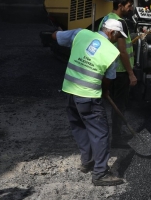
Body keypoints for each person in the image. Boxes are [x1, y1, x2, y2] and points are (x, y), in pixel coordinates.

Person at [52, 19, 128, 186]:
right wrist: (105, 90)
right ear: (111, 32)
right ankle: (100, 173)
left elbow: (55, 36)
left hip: (70, 93)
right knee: (100, 133)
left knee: (79, 127)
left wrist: (60, 33)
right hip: (88, 97)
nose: (117, 39)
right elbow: (108, 79)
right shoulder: (111, 52)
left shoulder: (81, 34)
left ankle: (87, 162)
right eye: (118, 36)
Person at [98, 0, 138, 147]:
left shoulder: (107, 18)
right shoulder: (119, 23)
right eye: (129, 5)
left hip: (110, 68)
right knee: (119, 105)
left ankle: (114, 134)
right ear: (120, 5)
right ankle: (117, 138)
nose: (131, 8)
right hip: (120, 71)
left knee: (114, 104)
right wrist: (131, 73)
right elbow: (122, 51)